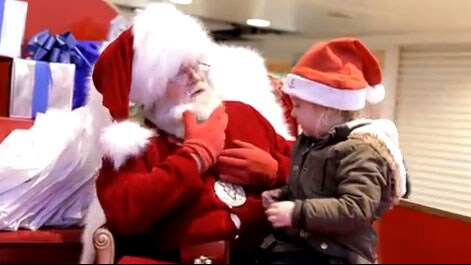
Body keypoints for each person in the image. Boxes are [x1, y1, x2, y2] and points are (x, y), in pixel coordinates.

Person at [80, 3, 294, 264]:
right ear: (151, 91)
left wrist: (276, 170)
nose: (195, 77)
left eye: (195, 65)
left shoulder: (243, 115)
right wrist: (194, 158)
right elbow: (125, 215)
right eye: (178, 72)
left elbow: (311, 167)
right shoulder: (137, 146)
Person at [260, 38, 409, 264]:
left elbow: (357, 208)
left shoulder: (361, 151)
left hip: (336, 254)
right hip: (302, 246)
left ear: (327, 109)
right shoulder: (309, 142)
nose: (293, 114)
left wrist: (297, 212)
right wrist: (282, 195)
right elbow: (310, 189)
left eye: (299, 106)